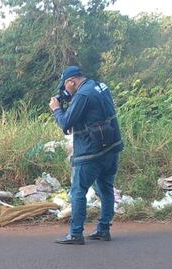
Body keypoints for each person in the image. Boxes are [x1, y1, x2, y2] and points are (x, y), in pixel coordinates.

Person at [48, 65, 123, 245]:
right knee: (106, 188)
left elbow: (66, 123)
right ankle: (103, 230)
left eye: (65, 86)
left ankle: (75, 233)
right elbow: (94, 113)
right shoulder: (100, 86)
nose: (64, 90)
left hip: (91, 152)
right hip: (111, 147)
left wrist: (57, 109)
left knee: (78, 191)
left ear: (71, 81)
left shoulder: (82, 96)